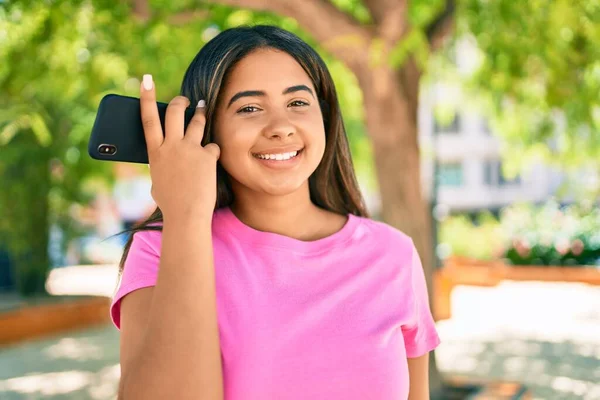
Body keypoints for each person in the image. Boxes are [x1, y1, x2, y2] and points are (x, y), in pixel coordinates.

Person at [111, 25, 440, 400]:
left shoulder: (392, 254)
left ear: (325, 116)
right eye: (249, 108)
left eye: (298, 103)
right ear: (204, 129)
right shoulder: (159, 248)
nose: (281, 128)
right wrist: (185, 214)